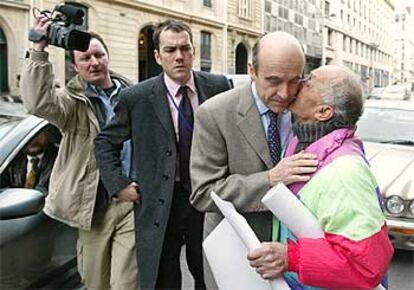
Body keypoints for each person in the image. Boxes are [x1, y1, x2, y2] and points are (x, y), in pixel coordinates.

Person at [95, 19, 231, 290]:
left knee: (212, 274)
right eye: (170, 50)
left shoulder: (218, 87)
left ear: (194, 51)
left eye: (185, 48)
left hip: (207, 199)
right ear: (157, 56)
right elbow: (104, 143)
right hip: (159, 203)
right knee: (164, 279)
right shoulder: (137, 97)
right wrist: (118, 184)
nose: (179, 56)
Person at [189, 31, 318, 288]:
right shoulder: (214, 114)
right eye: (273, 81)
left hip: (294, 253)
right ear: (251, 70)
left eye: (295, 81)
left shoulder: (307, 110)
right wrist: (270, 179)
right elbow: (203, 193)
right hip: (238, 254)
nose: (285, 93)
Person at [247, 65, 394, 289]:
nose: (299, 83)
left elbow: (366, 266)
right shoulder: (300, 142)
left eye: (309, 83)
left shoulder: (345, 172)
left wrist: (291, 258)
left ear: (324, 112)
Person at [20, 16, 138, 290]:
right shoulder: (71, 104)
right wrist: (39, 49)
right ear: (76, 67)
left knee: (127, 284)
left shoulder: (134, 95)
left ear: (108, 57)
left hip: (132, 201)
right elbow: (37, 102)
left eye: (99, 55)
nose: (94, 62)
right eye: (85, 58)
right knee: (96, 282)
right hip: (93, 208)